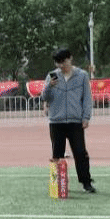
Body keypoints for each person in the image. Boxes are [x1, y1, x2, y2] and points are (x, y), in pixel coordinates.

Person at [42, 48, 95, 193]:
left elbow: (87, 98)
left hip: (75, 121)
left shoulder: (82, 75)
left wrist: (86, 117)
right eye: (58, 63)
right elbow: (44, 97)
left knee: (80, 153)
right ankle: (58, 185)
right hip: (56, 121)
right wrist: (49, 86)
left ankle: (86, 182)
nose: (61, 65)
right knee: (57, 154)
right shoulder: (52, 76)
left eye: (63, 61)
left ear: (70, 58)